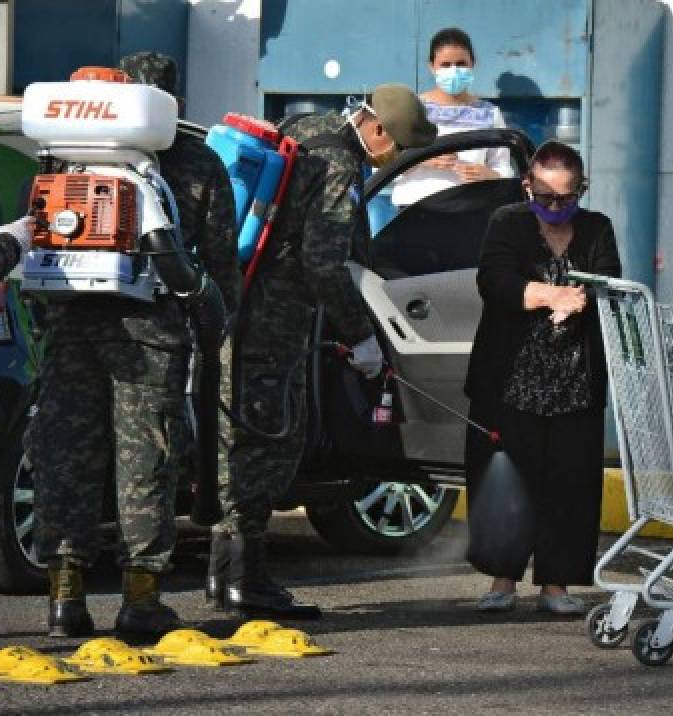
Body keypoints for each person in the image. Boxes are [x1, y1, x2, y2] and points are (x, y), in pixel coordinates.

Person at [207, 84, 437, 619]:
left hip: (237, 309)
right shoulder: (340, 165)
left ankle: (225, 577)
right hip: (276, 321)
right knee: (271, 442)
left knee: (237, 439)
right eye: (397, 147)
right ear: (377, 130)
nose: (393, 157)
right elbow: (322, 263)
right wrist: (359, 335)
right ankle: (247, 581)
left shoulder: (303, 127)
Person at [32, 51, 236, 639]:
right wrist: (216, 319)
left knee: (65, 456)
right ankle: (140, 600)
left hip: (72, 326)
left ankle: (64, 600)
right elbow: (219, 261)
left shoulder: (63, 154)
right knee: (145, 458)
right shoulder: (196, 163)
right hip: (153, 329)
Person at [464, 140, 621, 615]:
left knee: (570, 482)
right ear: (527, 186)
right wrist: (550, 296)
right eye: (545, 197)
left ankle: (557, 583)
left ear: (582, 191)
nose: (555, 207)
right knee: (508, 478)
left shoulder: (597, 229)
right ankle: (502, 579)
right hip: (511, 379)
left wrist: (580, 299)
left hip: (576, 379)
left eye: (566, 198)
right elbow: (494, 281)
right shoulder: (507, 222)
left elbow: (609, 280)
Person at [389, 27, 513, 208]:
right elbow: (383, 165)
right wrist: (422, 158)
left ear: (473, 64)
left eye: (461, 64)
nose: (454, 70)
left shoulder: (489, 114)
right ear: (432, 67)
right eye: (445, 65)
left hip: (471, 212)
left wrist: (489, 175)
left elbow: (504, 168)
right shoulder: (412, 108)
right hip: (415, 211)